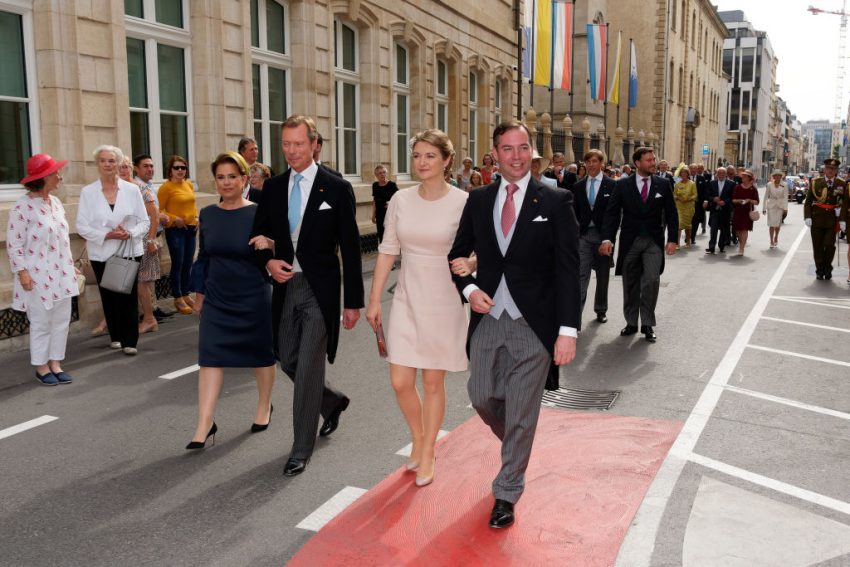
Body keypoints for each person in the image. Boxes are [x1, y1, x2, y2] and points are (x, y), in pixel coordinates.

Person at [448, 120, 581, 529]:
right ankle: (518, 442)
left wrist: (567, 331)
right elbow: (456, 257)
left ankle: (506, 491)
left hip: (534, 325)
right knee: (482, 396)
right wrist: (470, 291)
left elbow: (568, 269)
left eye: (523, 147)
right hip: (488, 318)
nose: (517, 156)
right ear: (495, 154)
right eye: (508, 149)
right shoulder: (478, 198)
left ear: (533, 151)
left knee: (522, 409)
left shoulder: (556, 201)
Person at [250, 115, 364, 477]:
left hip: (320, 291)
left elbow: (351, 247)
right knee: (286, 357)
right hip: (286, 288)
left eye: (298, 144)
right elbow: (258, 237)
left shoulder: (335, 187)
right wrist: (268, 262)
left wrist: (353, 303)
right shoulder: (273, 187)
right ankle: (331, 401)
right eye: (285, 144)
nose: (291, 151)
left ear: (314, 144)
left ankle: (301, 448)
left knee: (311, 365)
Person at [365, 129, 470, 487]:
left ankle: (427, 453)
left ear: (445, 161)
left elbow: (479, 249)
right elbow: (387, 250)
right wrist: (374, 298)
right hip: (408, 297)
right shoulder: (401, 200)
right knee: (400, 380)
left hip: (443, 299)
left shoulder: (462, 202)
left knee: (433, 381)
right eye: (417, 156)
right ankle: (420, 436)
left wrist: (471, 265)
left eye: (429, 156)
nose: (422, 162)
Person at [184, 152, 276, 449]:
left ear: (244, 179)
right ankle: (204, 423)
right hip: (217, 296)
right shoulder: (208, 214)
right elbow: (204, 257)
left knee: (262, 355)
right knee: (210, 357)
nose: (226, 182)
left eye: (232, 176)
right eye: (221, 177)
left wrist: (271, 243)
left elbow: (277, 251)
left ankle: (264, 405)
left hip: (253, 294)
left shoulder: (259, 212)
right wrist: (199, 295)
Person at [7, 154, 78, 385]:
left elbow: (62, 239)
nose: (59, 176)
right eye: (55, 172)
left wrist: (72, 267)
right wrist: (23, 273)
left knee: (61, 320)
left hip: (61, 272)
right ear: (43, 177)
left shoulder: (56, 203)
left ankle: (56, 362)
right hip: (36, 275)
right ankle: (41, 366)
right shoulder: (21, 207)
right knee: (40, 321)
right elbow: (14, 244)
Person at [600, 147, 678, 343]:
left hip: (654, 241)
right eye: (649, 160)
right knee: (631, 283)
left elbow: (671, 213)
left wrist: (672, 239)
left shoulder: (663, 183)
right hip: (630, 241)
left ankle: (648, 324)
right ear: (638, 163)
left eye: (654, 159)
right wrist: (607, 238)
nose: (654, 163)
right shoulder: (623, 185)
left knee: (651, 281)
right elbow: (612, 213)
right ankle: (632, 322)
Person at [77, 145, 150, 355]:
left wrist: (129, 233)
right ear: (97, 164)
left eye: (112, 160)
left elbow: (144, 222)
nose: (108, 164)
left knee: (126, 295)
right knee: (108, 296)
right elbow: (82, 226)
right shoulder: (88, 192)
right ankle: (116, 335)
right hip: (101, 251)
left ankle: (130, 340)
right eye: (103, 160)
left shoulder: (132, 190)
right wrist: (107, 235)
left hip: (127, 250)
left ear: (119, 164)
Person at [572, 149, 615, 325]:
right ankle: (575, 316)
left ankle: (600, 309)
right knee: (581, 275)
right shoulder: (578, 186)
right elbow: (574, 213)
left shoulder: (612, 185)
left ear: (602, 163)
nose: (591, 165)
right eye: (588, 162)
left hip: (602, 237)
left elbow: (613, 215)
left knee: (602, 276)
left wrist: (608, 239)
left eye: (595, 161)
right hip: (583, 237)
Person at [158, 155, 198, 315]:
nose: (180, 170)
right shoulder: (166, 187)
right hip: (175, 230)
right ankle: (177, 297)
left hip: (191, 229)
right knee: (178, 262)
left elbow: (192, 205)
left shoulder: (188, 184)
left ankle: (186, 293)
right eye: (177, 167)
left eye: (183, 167)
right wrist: (174, 219)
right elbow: (159, 210)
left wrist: (196, 218)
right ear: (170, 170)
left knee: (188, 262)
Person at [133, 155, 162, 334]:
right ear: (137, 168)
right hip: (138, 239)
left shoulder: (145, 188)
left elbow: (154, 214)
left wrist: (151, 240)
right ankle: (147, 316)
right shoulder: (137, 186)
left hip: (145, 239)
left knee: (142, 281)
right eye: (146, 166)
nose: (150, 169)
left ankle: (149, 318)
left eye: (152, 166)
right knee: (140, 281)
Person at [805, 158, 846, 279]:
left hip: (832, 220)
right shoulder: (816, 182)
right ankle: (819, 270)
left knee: (829, 245)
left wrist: (842, 217)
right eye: (828, 168)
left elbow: (845, 203)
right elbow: (808, 202)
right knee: (817, 246)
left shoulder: (841, 184)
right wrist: (807, 217)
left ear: (836, 170)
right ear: (825, 169)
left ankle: (828, 268)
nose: (830, 171)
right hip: (817, 219)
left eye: (833, 169)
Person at [705, 166, 735, 254]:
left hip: (725, 210)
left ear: (726, 174)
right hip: (714, 210)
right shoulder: (712, 183)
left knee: (724, 229)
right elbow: (707, 195)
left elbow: (732, 196)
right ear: (717, 174)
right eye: (719, 173)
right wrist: (713, 199)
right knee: (713, 228)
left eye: (723, 173)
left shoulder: (731, 184)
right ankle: (711, 247)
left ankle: (721, 246)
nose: (721, 175)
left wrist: (725, 202)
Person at [731, 169, 760, 257]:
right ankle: (741, 243)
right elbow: (733, 200)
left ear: (749, 178)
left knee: (744, 229)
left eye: (744, 176)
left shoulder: (753, 189)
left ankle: (741, 248)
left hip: (747, 212)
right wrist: (738, 201)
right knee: (737, 231)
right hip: (738, 211)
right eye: (742, 176)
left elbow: (757, 202)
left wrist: (749, 200)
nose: (742, 177)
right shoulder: (737, 187)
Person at [371, 164, 399, 241]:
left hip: (390, 214)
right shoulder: (375, 185)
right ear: (376, 175)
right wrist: (373, 215)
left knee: (389, 235)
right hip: (379, 215)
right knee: (381, 235)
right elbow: (374, 200)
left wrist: (390, 204)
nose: (382, 174)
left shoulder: (392, 185)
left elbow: (399, 198)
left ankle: (391, 252)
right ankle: (383, 251)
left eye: (384, 172)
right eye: (380, 173)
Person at [764, 170, 789, 248]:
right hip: (771, 206)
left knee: (777, 225)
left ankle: (776, 236)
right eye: (776, 175)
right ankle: (771, 240)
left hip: (780, 206)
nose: (777, 177)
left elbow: (785, 197)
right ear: (773, 177)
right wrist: (764, 208)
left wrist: (785, 208)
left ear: (781, 177)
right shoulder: (769, 185)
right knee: (771, 224)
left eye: (779, 175)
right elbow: (765, 197)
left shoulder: (784, 185)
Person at [674, 167, 697, 248]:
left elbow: (695, 195)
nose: (683, 174)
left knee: (688, 226)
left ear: (688, 174)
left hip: (689, 207)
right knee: (679, 224)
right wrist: (677, 197)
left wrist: (688, 199)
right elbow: (674, 194)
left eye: (685, 173)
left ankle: (688, 241)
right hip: (679, 206)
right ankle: (677, 243)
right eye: (682, 173)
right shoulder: (677, 184)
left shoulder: (692, 184)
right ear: (680, 174)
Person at [692, 163, 709, 237]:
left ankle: (693, 235)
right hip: (688, 202)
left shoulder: (702, 178)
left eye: (695, 169)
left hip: (699, 202)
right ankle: (689, 235)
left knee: (697, 218)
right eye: (692, 169)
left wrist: (705, 200)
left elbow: (706, 190)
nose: (694, 170)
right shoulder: (686, 178)